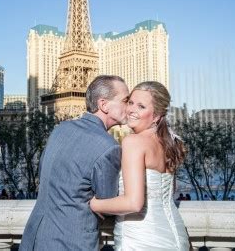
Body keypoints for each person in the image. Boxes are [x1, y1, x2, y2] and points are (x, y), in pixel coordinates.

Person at [19, 75, 129, 251]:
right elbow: (107, 205)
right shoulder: (109, 147)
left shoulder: (60, 129)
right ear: (104, 104)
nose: (129, 106)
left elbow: (46, 177)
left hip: (35, 238)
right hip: (72, 243)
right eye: (125, 100)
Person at [90, 81, 190, 250]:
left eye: (141, 106)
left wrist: (93, 204)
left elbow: (133, 203)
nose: (131, 110)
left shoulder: (133, 142)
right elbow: (168, 192)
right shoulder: (170, 144)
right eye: (130, 102)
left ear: (157, 115)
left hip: (141, 238)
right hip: (176, 237)